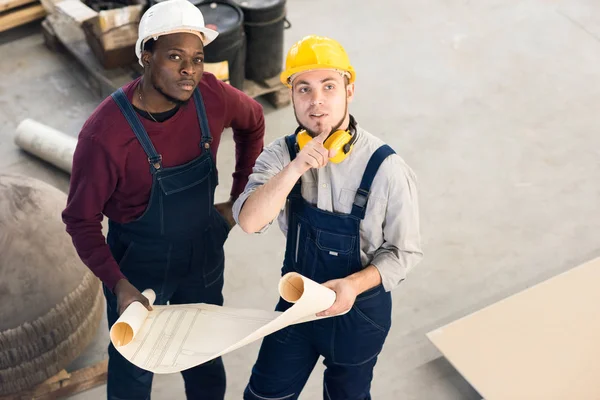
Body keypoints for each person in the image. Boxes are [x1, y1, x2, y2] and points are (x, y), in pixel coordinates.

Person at [61, 0, 265, 398]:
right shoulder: (104, 136)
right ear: (146, 56)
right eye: (175, 56)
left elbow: (254, 120)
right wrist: (118, 283)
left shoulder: (211, 95)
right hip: (138, 266)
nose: (190, 69)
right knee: (133, 366)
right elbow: (80, 221)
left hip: (204, 251)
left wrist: (242, 198)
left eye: (198, 58)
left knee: (204, 352)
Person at [233, 35, 423, 399]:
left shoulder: (386, 169)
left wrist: (352, 285)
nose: (316, 100)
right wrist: (295, 168)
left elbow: (404, 253)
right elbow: (250, 221)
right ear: (290, 96)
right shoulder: (282, 155)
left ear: (350, 90)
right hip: (297, 306)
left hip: (359, 314)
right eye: (303, 88)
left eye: (329, 86)